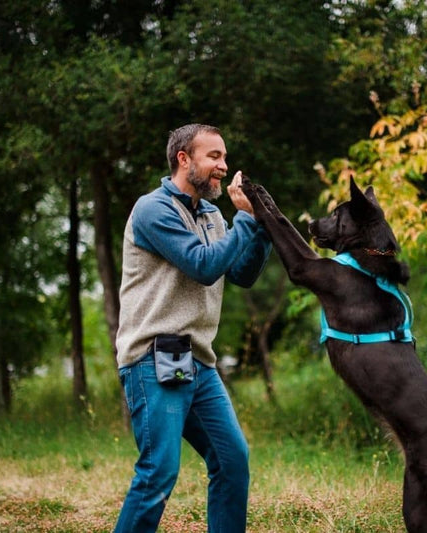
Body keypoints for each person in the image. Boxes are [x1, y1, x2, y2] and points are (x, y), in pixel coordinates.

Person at [114, 124, 272, 533]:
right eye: (214, 156)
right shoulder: (154, 209)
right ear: (184, 159)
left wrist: (259, 226)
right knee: (158, 474)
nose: (224, 165)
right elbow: (202, 266)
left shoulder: (212, 214)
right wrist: (243, 223)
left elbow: (240, 273)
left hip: (198, 361)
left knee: (232, 460)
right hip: (152, 358)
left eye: (224, 157)